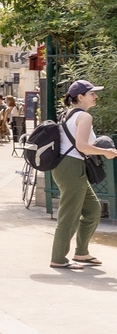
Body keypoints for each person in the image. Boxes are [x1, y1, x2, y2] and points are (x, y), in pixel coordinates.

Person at [50, 80, 116, 270]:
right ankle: (58, 258)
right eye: (92, 93)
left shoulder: (68, 114)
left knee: (93, 209)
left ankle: (81, 252)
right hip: (71, 166)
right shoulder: (84, 117)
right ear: (81, 97)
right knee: (69, 213)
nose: (95, 96)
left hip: (67, 165)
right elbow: (82, 146)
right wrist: (106, 152)